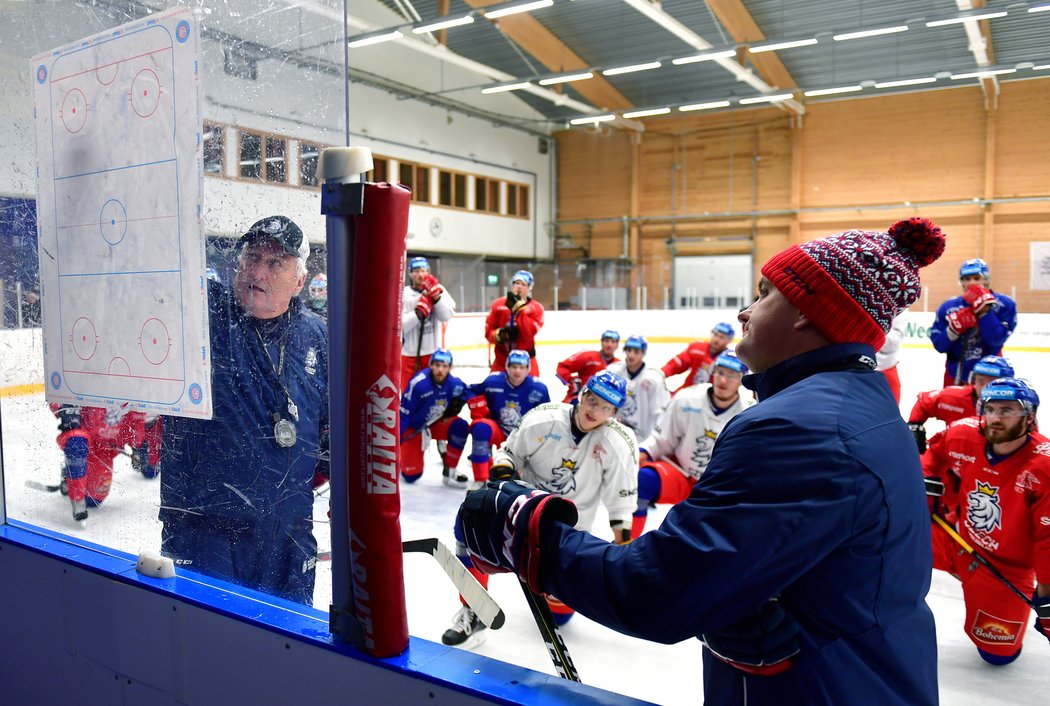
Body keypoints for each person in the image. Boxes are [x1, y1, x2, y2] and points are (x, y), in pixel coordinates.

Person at [457, 217, 944, 705]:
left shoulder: (797, 429)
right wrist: (748, 601)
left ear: (804, 312)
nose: (745, 312)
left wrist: (529, 533)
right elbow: (844, 571)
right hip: (861, 680)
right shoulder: (865, 405)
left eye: (765, 294)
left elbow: (659, 592)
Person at [160, 216, 328, 605]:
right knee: (211, 647)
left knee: (290, 647)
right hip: (207, 528)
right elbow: (158, 279)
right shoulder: (205, 317)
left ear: (299, 281)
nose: (257, 271)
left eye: (275, 263)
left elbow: (328, 425)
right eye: (251, 257)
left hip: (290, 530)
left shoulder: (317, 335)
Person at [442, 370, 638, 649]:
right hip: (521, 513)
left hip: (567, 532)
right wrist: (502, 480)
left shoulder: (618, 443)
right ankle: (474, 610)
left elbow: (621, 502)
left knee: (560, 615)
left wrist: (622, 546)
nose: (595, 411)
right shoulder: (543, 419)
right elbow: (508, 454)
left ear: (614, 413)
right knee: (469, 526)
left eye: (606, 407)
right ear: (582, 395)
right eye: (593, 401)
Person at [921, 378, 1050, 665]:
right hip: (955, 537)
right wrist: (927, 496)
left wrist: (1047, 593)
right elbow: (932, 456)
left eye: (1007, 411)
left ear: (1030, 417)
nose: (995, 418)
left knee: (996, 655)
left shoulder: (1044, 466)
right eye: (990, 409)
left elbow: (1048, 539)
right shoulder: (964, 434)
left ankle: (989, 591)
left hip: (1005, 566)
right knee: (883, 533)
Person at [632, 351, 754, 536]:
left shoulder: (749, 412)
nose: (723, 380)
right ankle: (627, 542)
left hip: (719, 486)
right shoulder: (687, 399)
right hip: (682, 474)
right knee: (642, 481)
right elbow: (662, 438)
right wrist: (644, 451)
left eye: (732, 375)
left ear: (741, 380)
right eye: (720, 372)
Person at [47, 404, 161, 523]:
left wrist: (139, 444)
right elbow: (58, 391)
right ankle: (76, 492)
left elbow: (136, 420)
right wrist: (66, 409)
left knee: (93, 500)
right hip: (84, 435)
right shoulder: (94, 386)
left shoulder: (130, 391)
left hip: (106, 449)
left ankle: (70, 475)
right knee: (77, 442)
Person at [464, 349, 550, 488]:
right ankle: (480, 479)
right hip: (499, 429)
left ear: (528, 369)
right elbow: (470, 390)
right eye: (514, 366)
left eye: (522, 367)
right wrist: (477, 406)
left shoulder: (539, 388)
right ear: (506, 367)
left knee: (519, 480)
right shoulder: (493, 381)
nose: (517, 371)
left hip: (523, 437)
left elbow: (547, 417)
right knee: (480, 427)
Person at [929, 258, 1017, 387]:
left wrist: (984, 311)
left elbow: (995, 340)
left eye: (977, 278)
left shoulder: (1004, 304)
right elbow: (940, 346)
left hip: (991, 373)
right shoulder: (948, 307)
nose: (972, 283)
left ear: (986, 280)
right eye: (967, 279)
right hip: (956, 375)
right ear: (961, 282)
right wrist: (952, 330)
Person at [907, 355, 1015, 454]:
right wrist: (915, 427)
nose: (984, 389)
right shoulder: (954, 397)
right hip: (956, 456)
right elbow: (924, 401)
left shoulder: (1016, 408)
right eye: (981, 381)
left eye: (992, 383)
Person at [399, 348, 471, 487]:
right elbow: (403, 414)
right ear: (431, 365)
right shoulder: (419, 384)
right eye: (437, 365)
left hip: (436, 423)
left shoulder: (454, 383)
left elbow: (471, 392)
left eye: (444, 366)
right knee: (411, 476)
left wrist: (461, 401)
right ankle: (404, 458)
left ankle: (450, 470)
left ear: (450, 367)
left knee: (460, 426)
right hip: (415, 428)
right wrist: (397, 442)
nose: (440, 370)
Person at [401, 256, 456, 388]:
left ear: (429, 273)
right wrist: (417, 314)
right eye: (416, 271)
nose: (420, 275)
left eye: (423, 271)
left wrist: (436, 298)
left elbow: (447, 316)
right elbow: (400, 326)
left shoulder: (439, 289)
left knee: (433, 392)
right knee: (409, 393)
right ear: (410, 274)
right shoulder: (404, 294)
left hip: (433, 353)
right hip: (409, 355)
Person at [606, 334, 669, 440]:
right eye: (628, 350)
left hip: (643, 437)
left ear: (643, 353)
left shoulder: (653, 378)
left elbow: (659, 411)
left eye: (636, 352)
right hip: (615, 431)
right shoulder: (613, 372)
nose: (631, 355)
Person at [484, 270, 543, 376]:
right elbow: (488, 332)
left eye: (523, 284)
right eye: (517, 283)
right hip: (501, 361)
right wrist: (500, 335)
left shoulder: (536, 308)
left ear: (530, 288)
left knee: (535, 389)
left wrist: (520, 311)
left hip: (526, 361)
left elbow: (530, 333)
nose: (519, 287)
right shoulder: (498, 305)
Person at [660, 322, 735, 394]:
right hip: (686, 391)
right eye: (715, 335)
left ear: (729, 340)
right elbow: (677, 364)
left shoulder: (728, 359)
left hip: (710, 399)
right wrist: (661, 374)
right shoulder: (697, 348)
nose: (716, 339)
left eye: (721, 337)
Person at [554, 330, 620, 403]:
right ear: (601, 342)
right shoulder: (588, 356)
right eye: (606, 341)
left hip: (603, 404)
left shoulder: (619, 365)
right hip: (579, 398)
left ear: (617, 345)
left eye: (613, 342)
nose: (609, 345)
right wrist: (571, 381)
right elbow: (562, 367)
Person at [876, 310, 907, 403]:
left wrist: (871, 327)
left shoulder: (899, 300)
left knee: (890, 416)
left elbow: (893, 344)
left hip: (886, 370)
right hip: (854, 370)